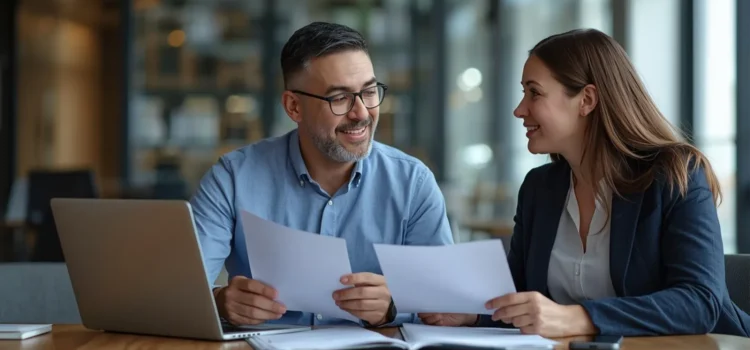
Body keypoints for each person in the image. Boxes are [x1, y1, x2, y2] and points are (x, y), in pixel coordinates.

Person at [419, 28, 750, 337]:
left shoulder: (676, 174)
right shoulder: (539, 188)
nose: (519, 110)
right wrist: (472, 314)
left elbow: (699, 302)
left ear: (587, 100)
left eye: (534, 93)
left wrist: (575, 317)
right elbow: (522, 296)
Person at [190, 22, 453, 328]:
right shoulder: (232, 179)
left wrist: (392, 307)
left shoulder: (413, 183)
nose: (362, 113)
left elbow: (445, 305)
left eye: (368, 92)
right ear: (293, 106)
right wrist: (220, 301)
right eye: (339, 98)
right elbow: (180, 294)